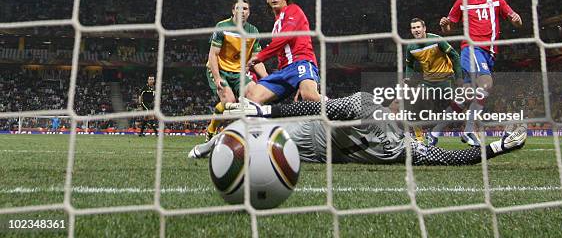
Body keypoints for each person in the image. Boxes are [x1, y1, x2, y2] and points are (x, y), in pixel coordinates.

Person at [189, 92, 527, 165]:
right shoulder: (366, 106)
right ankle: (211, 144)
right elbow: (320, 107)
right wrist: (266, 109)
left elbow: (454, 159)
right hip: (310, 132)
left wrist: (500, 147)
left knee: (261, 153)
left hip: (322, 156)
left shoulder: (409, 147)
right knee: (247, 130)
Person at [440, 0, 522, 146]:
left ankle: (434, 132)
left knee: (466, 95)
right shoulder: (461, 3)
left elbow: (517, 22)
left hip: (489, 53)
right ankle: (469, 130)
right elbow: (448, 29)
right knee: (486, 83)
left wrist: (516, 19)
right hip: (471, 48)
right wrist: (445, 25)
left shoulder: (497, 0)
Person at [244, 0, 320, 104]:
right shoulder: (276, 24)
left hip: (301, 62)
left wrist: (259, 56)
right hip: (284, 70)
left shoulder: (293, 10)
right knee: (253, 97)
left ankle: (342, 111)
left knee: (309, 96)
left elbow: (285, 37)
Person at [204, 0, 268, 140]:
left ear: (249, 12)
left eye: (245, 9)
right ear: (233, 11)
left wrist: (267, 78)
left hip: (239, 73)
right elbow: (213, 55)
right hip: (220, 70)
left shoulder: (253, 31)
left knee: (256, 97)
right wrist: (217, 78)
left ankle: (251, 136)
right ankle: (211, 130)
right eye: (238, 8)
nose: (242, 11)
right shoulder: (222, 27)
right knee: (230, 104)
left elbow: (256, 60)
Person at [404, 18, 462, 143]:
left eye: (418, 27)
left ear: (424, 28)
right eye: (413, 28)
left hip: (446, 79)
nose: (416, 30)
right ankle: (419, 137)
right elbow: (409, 64)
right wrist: (409, 77)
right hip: (428, 82)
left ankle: (470, 132)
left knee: (460, 104)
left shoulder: (436, 40)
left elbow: (455, 56)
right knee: (412, 103)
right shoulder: (410, 47)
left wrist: (459, 78)